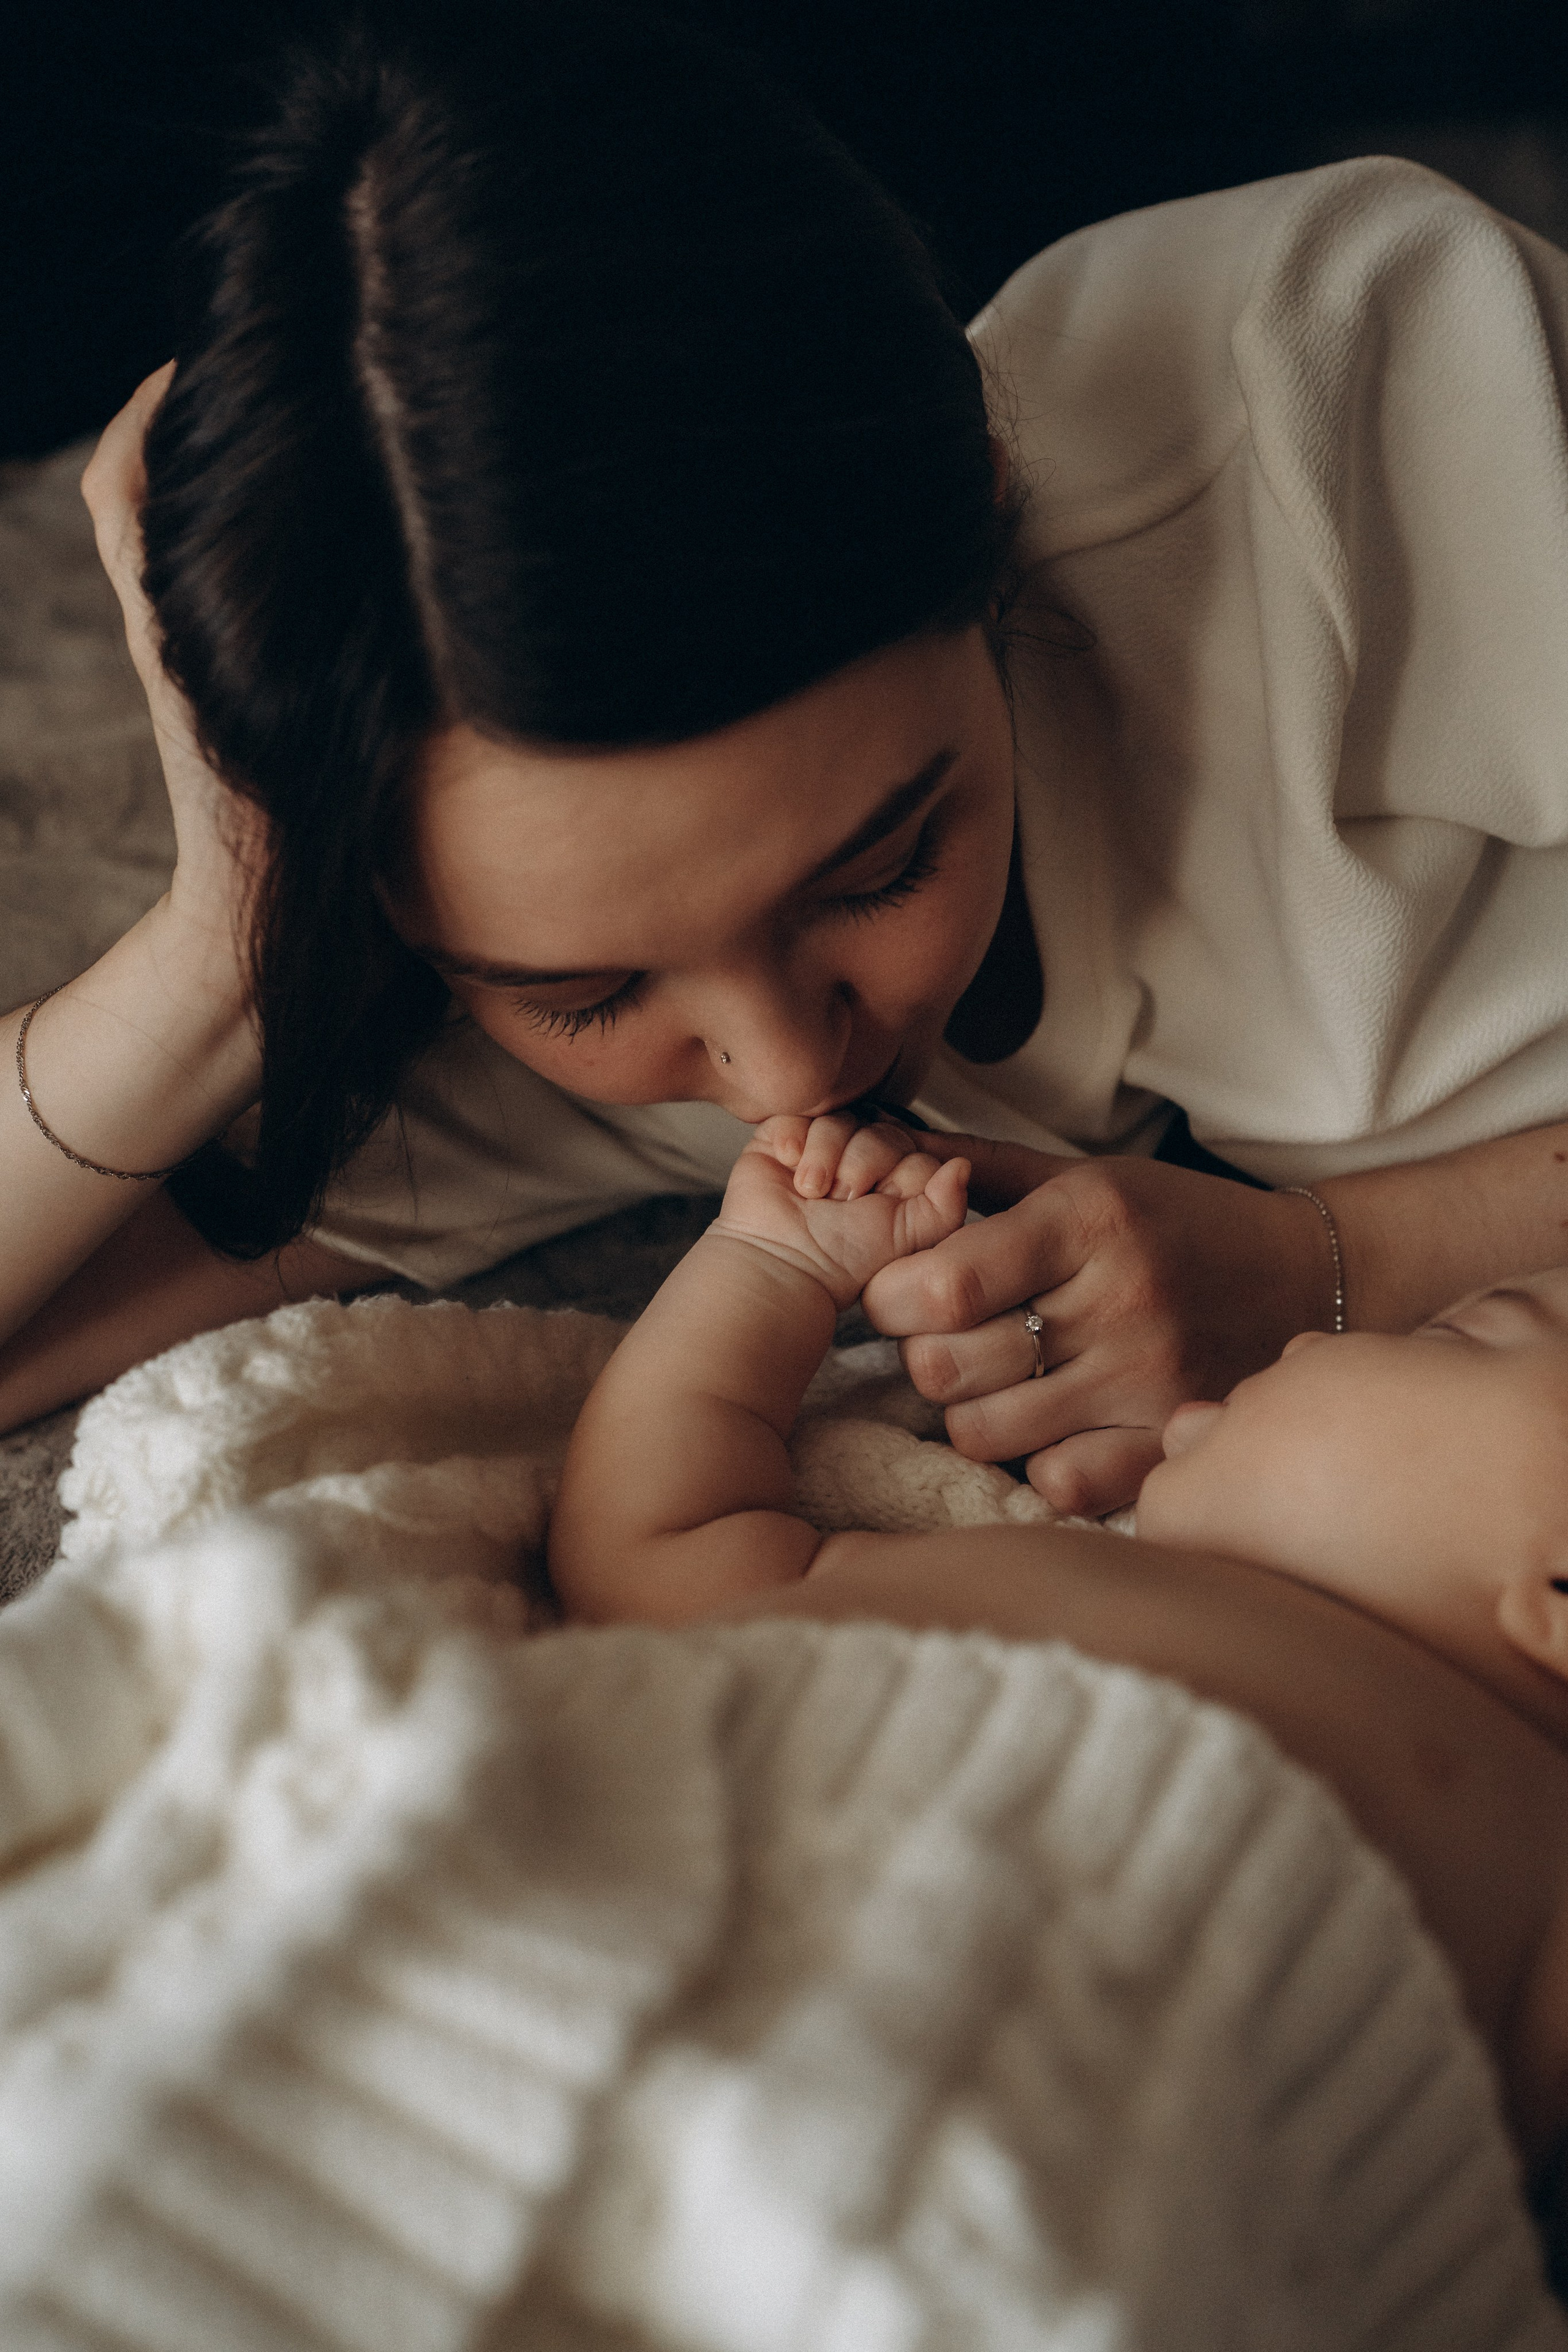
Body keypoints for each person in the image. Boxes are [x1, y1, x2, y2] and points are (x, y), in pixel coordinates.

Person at [6, 4, 1568, 1519]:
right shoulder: (463, 1017)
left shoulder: (1351, 391)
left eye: (882, 864)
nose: (788, 1072)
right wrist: (228, 942)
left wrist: (1333, 1261)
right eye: (589, 995)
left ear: (988, 488)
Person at [546, 1108, 1568, 2215]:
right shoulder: (1008, 1576)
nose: (1322, 1340)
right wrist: (768, 1265)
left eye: (1454, 1337)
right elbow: (646, 1556)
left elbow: (650, 1550)